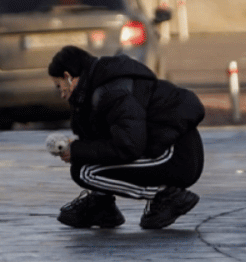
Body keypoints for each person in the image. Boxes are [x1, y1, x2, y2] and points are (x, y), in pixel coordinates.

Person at [46, 45, 206, 230]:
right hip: (165, 150)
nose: (61, 94)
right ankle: (101, 206)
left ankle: (167, 196)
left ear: (69, 77)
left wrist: (77, 151)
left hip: (176, 155)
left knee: (85, 171)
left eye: (59, 86)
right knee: (86, 161)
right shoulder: (95, 90)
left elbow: (129, 146)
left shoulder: (112, 91)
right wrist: (78, 148)